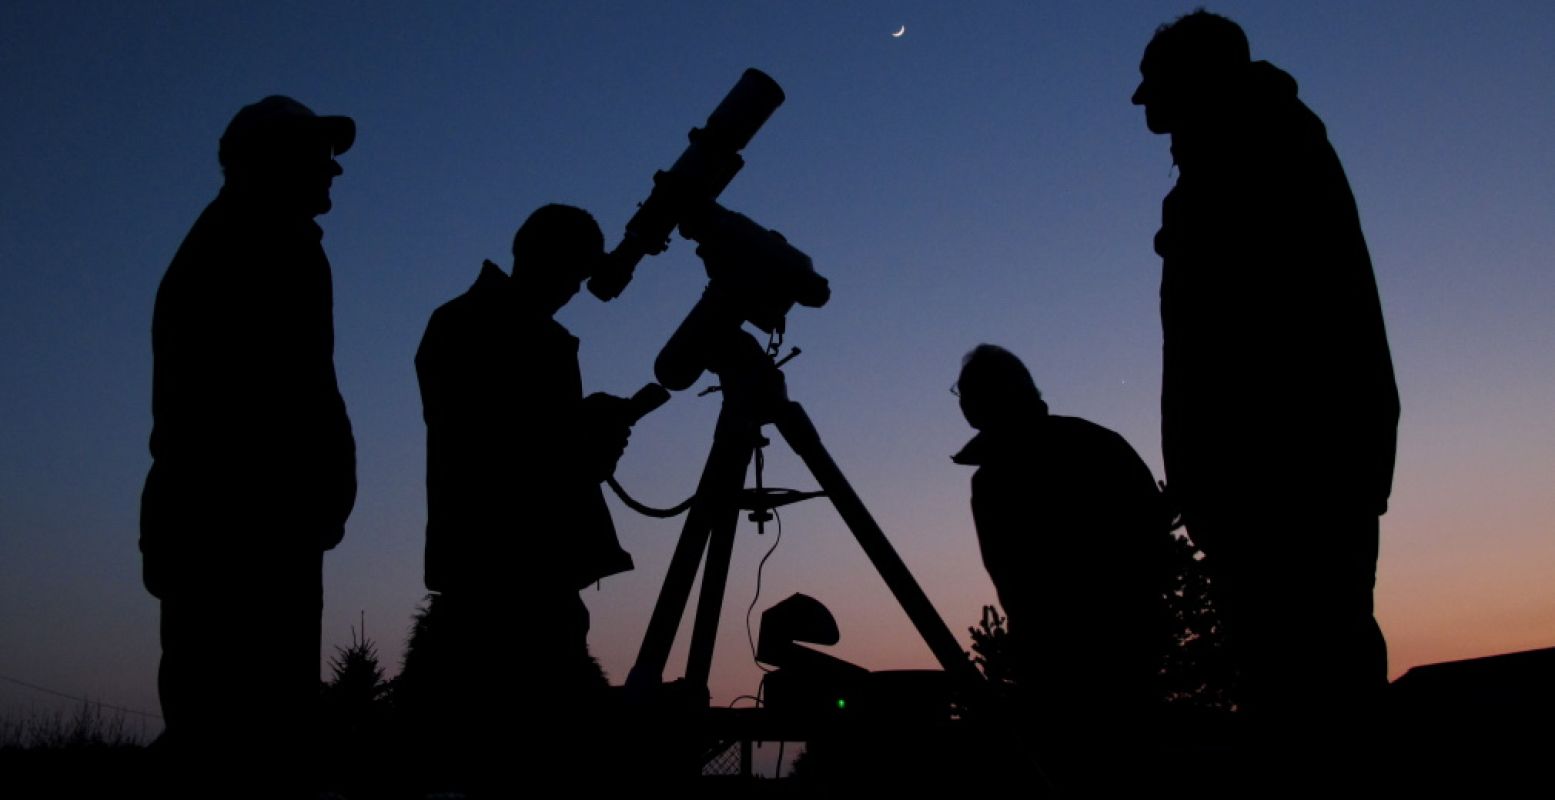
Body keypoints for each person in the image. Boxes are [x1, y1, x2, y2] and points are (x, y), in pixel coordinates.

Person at [1132, 10, 1400, 735]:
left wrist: (1208, 469)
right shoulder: (1249, 148)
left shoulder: (1249, 156)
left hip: (1285, 474)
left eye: (1154, 88)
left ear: (1194, 82)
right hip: (1281, 473)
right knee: (1302, 671)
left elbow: (1244, 341)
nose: (1144, 107)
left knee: (1309, 680)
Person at [140, 95, 357, 796]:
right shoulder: (254, 244)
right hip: (241, 530)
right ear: (274, 161)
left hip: (254, 525)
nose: (334, 173)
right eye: (319, 157)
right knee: (237, 737)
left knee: (248, 730)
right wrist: (308, 491)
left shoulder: (262, 239)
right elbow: (261, 402)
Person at [412, 203, 634, 793]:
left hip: (506, 571)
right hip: (511, 576)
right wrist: (591, 443)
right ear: (545, 258)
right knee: (530, 760)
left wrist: (581, 435)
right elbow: (512, 461)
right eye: (575, 271)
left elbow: (523, 442)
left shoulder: (479, 323)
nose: (575, 289)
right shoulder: (502, 330)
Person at [952, 344, 1172, 792]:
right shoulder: (1099, 443)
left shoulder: (995, 478)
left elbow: (1014, 578)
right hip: (1118, 648)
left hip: (1073, 658)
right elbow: (1155, 536)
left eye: (968, 395)